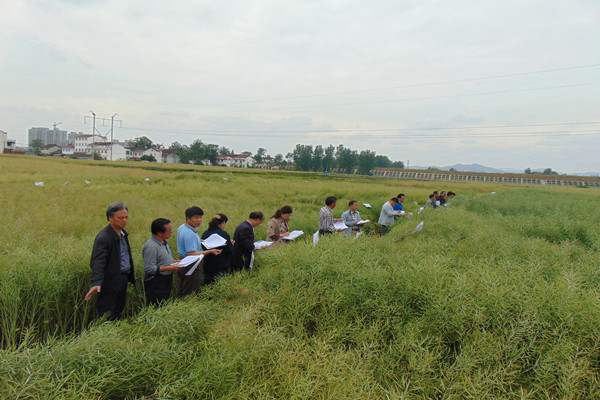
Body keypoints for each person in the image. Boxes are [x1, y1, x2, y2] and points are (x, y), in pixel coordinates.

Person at [84, 202, 135, 320]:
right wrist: (96, 282)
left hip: (123, 278)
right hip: (110, 281)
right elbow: (98, 261)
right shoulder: (104, 237)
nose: (124, 220)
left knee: (118, 309)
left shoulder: (123, 234)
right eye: (120, 218)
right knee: (107, 313)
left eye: (126, 217)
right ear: (110, 218)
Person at [176, 206, 221, 297]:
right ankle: (188, 306)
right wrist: (210, 251)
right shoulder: (189, 234)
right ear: (188, 218)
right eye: (196, 217)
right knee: (191, 289)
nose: (199, 220)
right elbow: (191, 253)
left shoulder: (183, 227)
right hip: (191, 263)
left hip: (183, 261)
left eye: (200, 217)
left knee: (183, 286)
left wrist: (199, 241)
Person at [143, 218, 182, 306]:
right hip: (156, 282)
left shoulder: (164, 242)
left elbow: (162, 259)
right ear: (159, 233)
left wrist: (174, 261)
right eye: (169, 230)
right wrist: (170, 267)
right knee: (156, 305)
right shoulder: (151, 247)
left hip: (166, 279)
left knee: (164, 303)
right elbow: (149, 268)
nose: (172, 232)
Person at [201, 214, 234, 284]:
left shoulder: (206, 233)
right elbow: (229, 249)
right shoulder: (223, 233)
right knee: (219, 285)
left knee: (208, 284)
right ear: (223, 223)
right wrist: (231, 244)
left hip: (207, 264)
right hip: (221, 265)